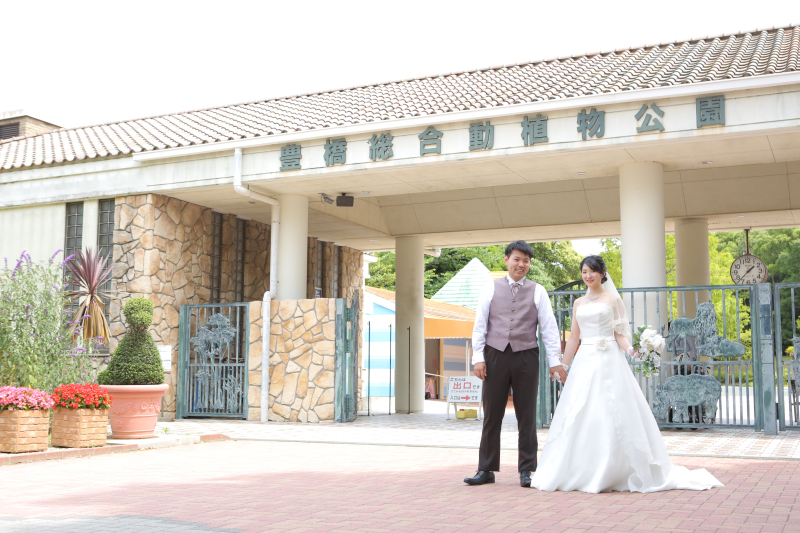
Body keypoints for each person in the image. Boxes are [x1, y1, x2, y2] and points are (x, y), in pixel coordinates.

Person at [531, 255, 723, 493]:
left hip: (609, 358)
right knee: (580, 409)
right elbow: (573, 337)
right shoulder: (578, 303)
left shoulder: (613, 300)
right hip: (585, 358)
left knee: (611, 408)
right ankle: (578, 468)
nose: (587, 276)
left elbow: (619, 334)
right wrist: (564, 364)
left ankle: (617, 469)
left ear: (602, 273)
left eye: (592, 271)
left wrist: (633, 351)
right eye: (584, 272)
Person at [463, 240, 566, 488]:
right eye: (517, 259)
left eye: (526, 260)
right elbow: (480, 325)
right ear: (507, 260)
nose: (521, 264)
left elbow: (549, 329)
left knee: (527, 415)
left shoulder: (538, 290)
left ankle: (528, 470)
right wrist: (478, 358)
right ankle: (486, 468)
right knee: (492, 414)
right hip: (495, 354)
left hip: (526, 355)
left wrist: (555, 362)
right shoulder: (490, 288)